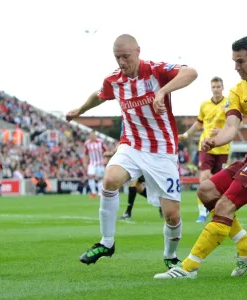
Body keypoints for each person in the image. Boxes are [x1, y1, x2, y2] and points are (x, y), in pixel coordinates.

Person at [66, 34, 198, 269]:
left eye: (126, 57)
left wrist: (162, 91)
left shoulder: (156, 71)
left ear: (138, 51)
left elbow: (191, 73)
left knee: (172, 216)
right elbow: (99, 96)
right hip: (132, 144)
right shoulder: (114, 80)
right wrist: (80, 109)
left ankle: (170, 256)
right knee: (110, 179)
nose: (121, 62)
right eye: (117, 58)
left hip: (162, 150)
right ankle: (107, 243)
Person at [154, 36, 247, 279]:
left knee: (225, 205)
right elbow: (231, 125)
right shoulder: (237, 91)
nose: (236, 67)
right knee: (206, 190)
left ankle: (189, 268)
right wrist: (213, 140)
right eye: (234, 61)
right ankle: (245, 245)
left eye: (241, 61)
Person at [179, 77, 230, 223]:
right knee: (204, 178)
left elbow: (236, 124)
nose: (216, 89)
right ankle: (202, 213)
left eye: (218, 86)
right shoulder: (204, 105)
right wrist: (186, 135)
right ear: (211, 88)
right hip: (206, 146)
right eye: (213, 86)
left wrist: (222, 130)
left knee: (220, 183)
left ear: (222, 87)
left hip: (222, 147)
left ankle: (217, 210)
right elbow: (198, 124)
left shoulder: (229, 104)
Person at [83, 131, 107, 199]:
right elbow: (85, 154)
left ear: (96, 136)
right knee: (90, 176)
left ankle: (100, 193)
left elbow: (106, 151)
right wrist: (84, 162)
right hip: (92, 163)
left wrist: (105, 159)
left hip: (100, 163)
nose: (93, 136)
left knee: (100, 178)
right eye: (91, 135)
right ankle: (93, 192)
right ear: (90, 136)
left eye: (94, 135)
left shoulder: (100, 142)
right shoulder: (87, 143)